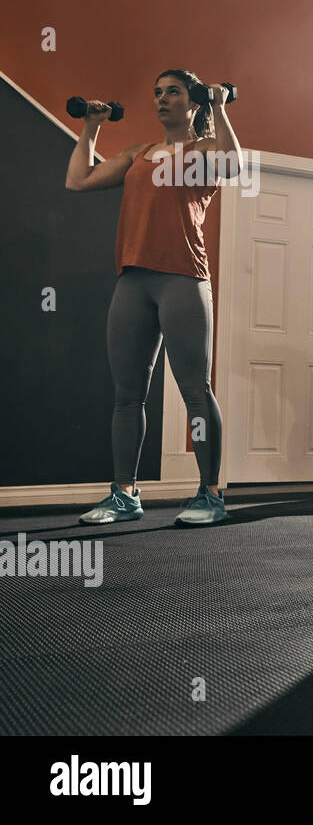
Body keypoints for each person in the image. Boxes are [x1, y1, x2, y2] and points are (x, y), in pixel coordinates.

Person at [65, 70, 240, 525]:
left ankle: (211, 494)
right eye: (158, 93)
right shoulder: (138, 154)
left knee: (195, 392)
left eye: (173, 92)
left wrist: (219, 107)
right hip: (133, 281)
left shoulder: (203, 151)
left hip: (183, 277)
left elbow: (234, 165)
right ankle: (125, 494)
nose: (162, 99)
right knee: (127, 395)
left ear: (194, 100)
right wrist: (91, 126)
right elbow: (78, 180)